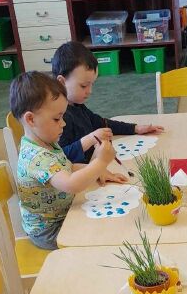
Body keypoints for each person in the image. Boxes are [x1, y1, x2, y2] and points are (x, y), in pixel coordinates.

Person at [11, 70, 118, 251]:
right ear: (30, 119)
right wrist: (100, 162)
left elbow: (68, 166)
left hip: (62, 214)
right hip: (50, 231)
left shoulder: (45, 141)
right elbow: (71, 184)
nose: (63, 123)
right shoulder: (36, 157)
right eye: (57, 118)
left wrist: (98, 171)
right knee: (101, 233)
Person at [51, 41, 164, 165]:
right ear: (62, 82)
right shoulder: (58, 117)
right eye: (83, 85)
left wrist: (135, 128)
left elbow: (101, 123)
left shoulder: (76, 105)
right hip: (81, 173)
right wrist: (90, 139)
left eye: (92, 84)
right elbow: (60, 158)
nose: (90, 91)